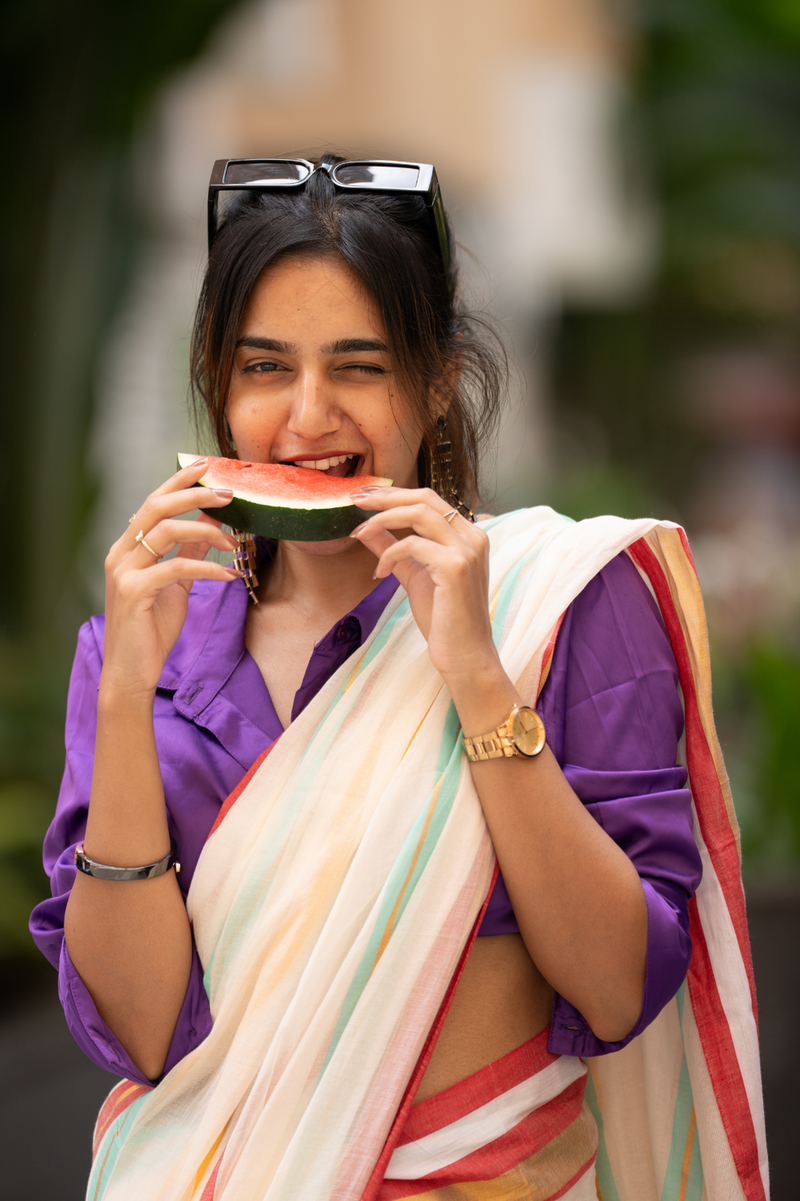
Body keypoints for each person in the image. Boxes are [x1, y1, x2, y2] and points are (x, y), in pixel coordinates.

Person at [31, 156, 766, 1201]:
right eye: (265, 367)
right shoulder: (137, 647)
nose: (307, 417)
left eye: (359, 367)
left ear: (434, 382)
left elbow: (612, 990)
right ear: (216, 380)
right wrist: (120, 696)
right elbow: (142, 1029)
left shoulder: (557, 605)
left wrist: (472, 669)